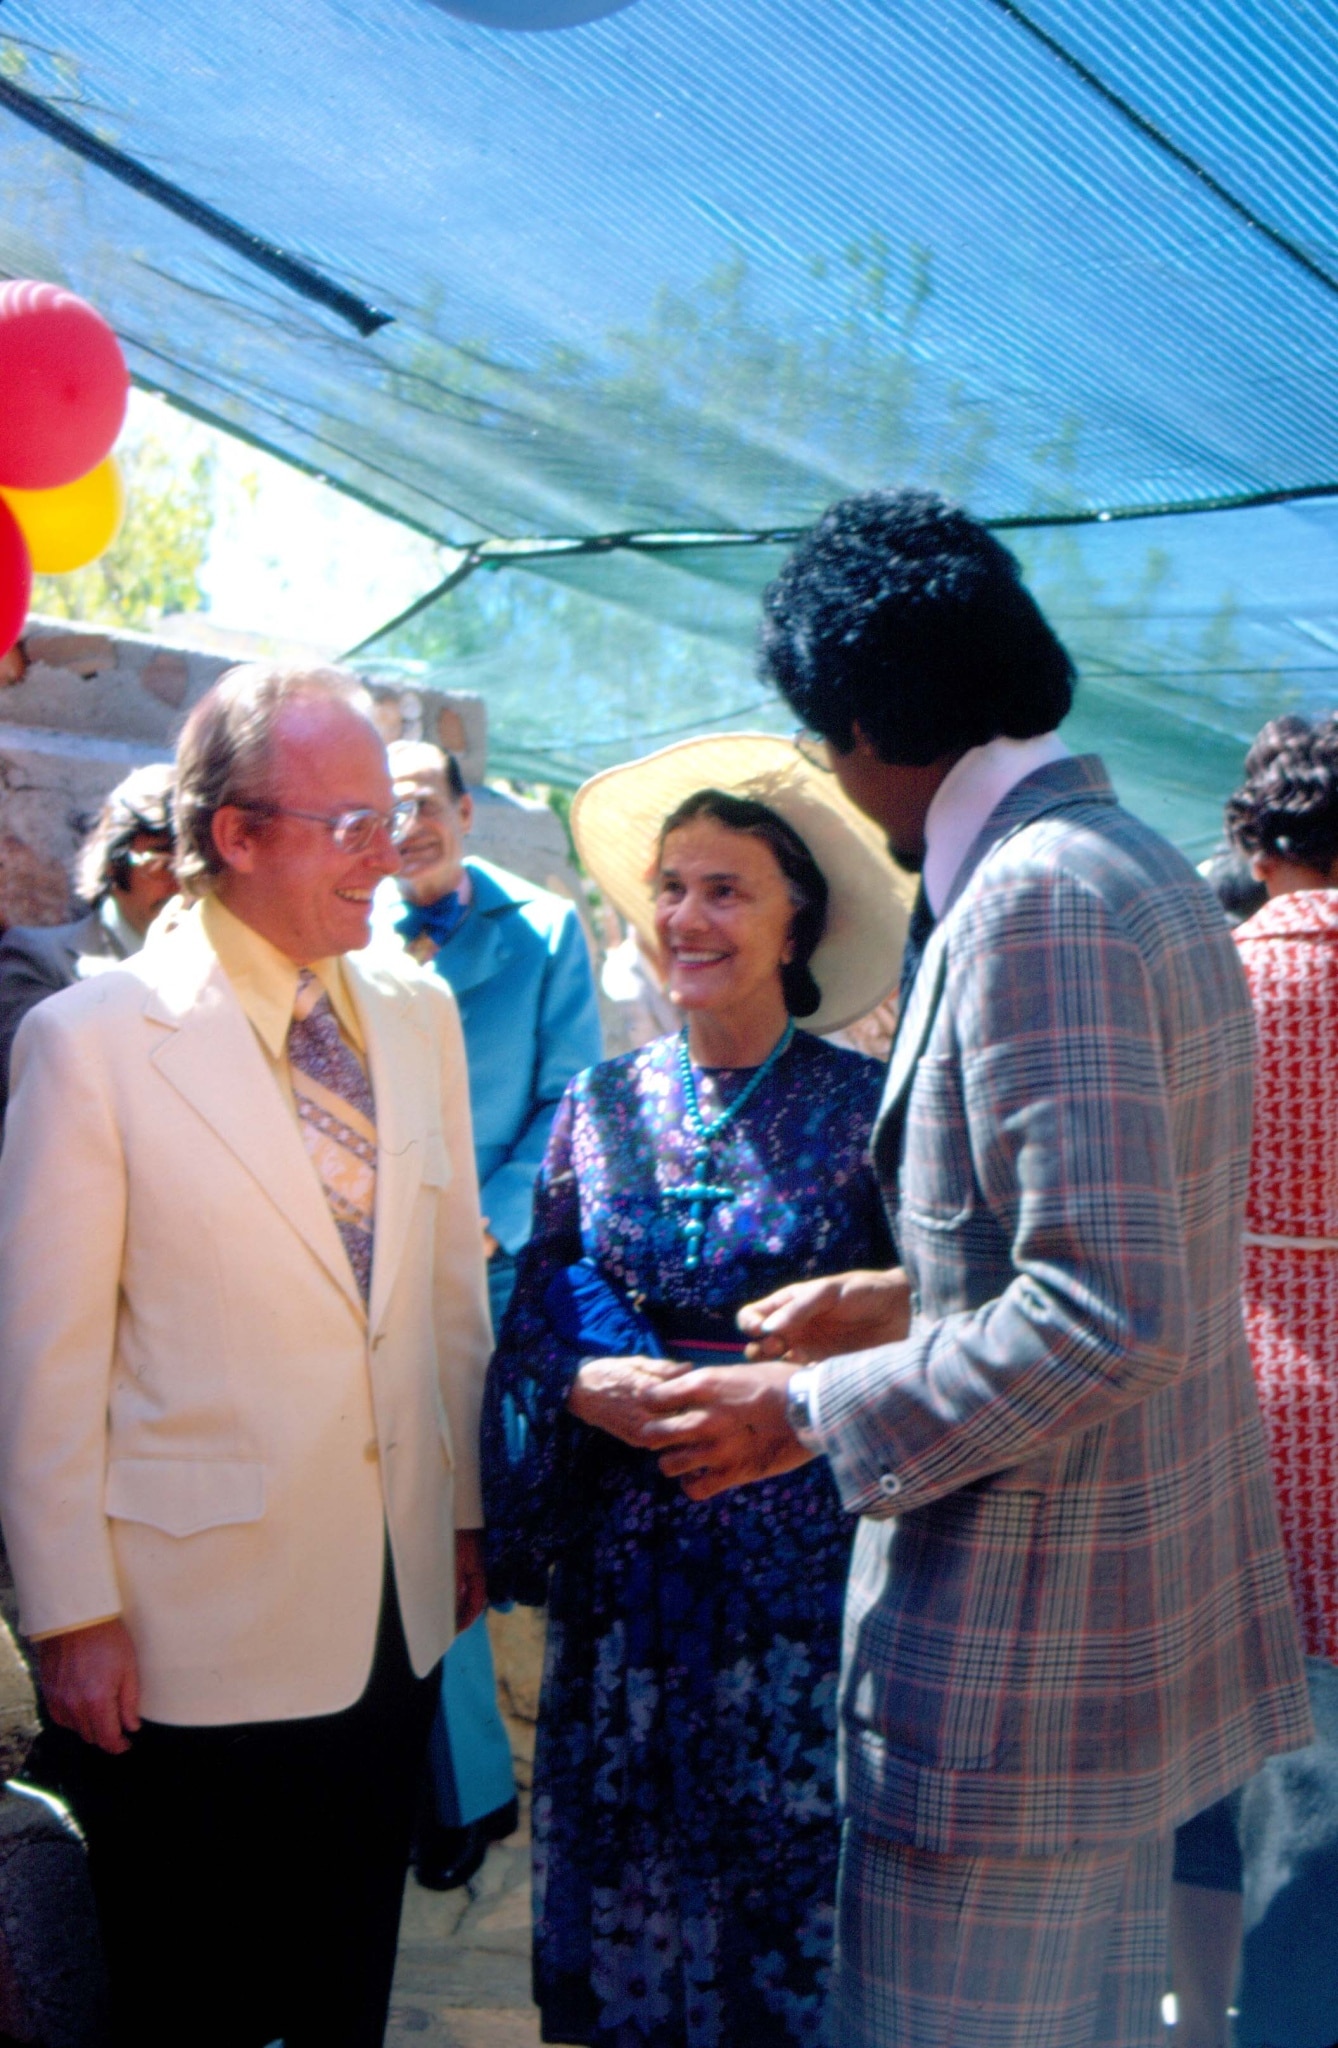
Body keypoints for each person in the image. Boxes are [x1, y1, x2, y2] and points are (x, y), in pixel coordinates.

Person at [632, 492, 1312, 2048]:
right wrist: (903, 1300)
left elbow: (1104, 1309)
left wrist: (804, 1409)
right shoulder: (1123, 858)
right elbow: (1119, 1242)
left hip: (1019, 1680)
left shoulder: (1034, 900)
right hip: (1091, 1670)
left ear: (863, 722)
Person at [0, 664, 493, 2048]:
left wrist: (456, 1511)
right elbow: (43, 1353)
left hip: (388, 1614)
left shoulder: (417, 1014)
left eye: (384, 820)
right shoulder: (88, 1043)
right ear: (238, 837)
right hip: (183, 1639)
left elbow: (446, 1290)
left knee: (341, 1992)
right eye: (347, 824)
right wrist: (71, 1612)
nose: (386, 851)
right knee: (188, 2004)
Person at [481, 733, 907, 2048]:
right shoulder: (597, 1104)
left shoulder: (869, 1110)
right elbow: (547, 1283)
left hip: (793, 1570)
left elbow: (932, 1314)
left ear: (796, 924)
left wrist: (790, 1406)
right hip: (629, 1569)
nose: (685, 916)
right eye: (669, 885)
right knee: (634, 1886)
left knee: (779, 1897)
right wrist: (593, 1376)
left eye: (724, 888)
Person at [377, 738, 603, 1890]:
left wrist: (493, 1220)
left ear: (466, 809)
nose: (405, 822)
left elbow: (573, 1095)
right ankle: (439, 1779)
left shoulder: (551, 929)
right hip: (363, 1263)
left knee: (451, 1508)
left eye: (423, 798)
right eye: (384, 803)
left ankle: (467, 1787)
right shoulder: (349, 919)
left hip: (487, 1268)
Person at [1170, 713, 1338, 2048]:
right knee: (1318, 1821)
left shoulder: (1205, 981)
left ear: (1254, 834)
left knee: (1203, 1803)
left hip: (1209, 1434)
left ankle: (1193, 2024)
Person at [0, 759, 176, 1121]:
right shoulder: (38, 957)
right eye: (160, 865)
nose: (179, 886)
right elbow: (36, 1084)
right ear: (114, 863)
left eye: (192, 867)